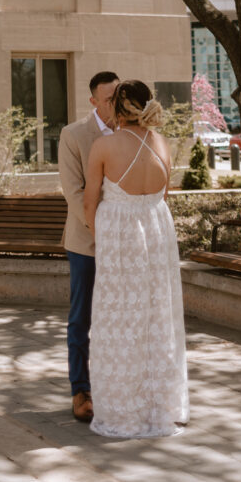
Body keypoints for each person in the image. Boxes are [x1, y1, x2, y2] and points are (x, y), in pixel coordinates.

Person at [84, 79, 189, 438]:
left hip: (119, 237)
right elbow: (165, 193)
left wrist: (100, 240)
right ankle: (157, 406)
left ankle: (122, 408)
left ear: (117, 107)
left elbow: (89, 201)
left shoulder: (104, 145)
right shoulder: (162, 142)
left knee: (118, 321)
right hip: (157, 233)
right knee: (156, 316)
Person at [58, 70, 119, 423]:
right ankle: (80, 389)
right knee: (81, 318)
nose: (114, 103)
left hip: (124, 244)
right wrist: (106, 232)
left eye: (118, 95)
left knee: (119, 316)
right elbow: (75, 193)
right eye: (108, 98)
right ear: (94, 101)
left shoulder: (131, 133)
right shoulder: (74, 134)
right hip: (87, 242)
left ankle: (114, 386)